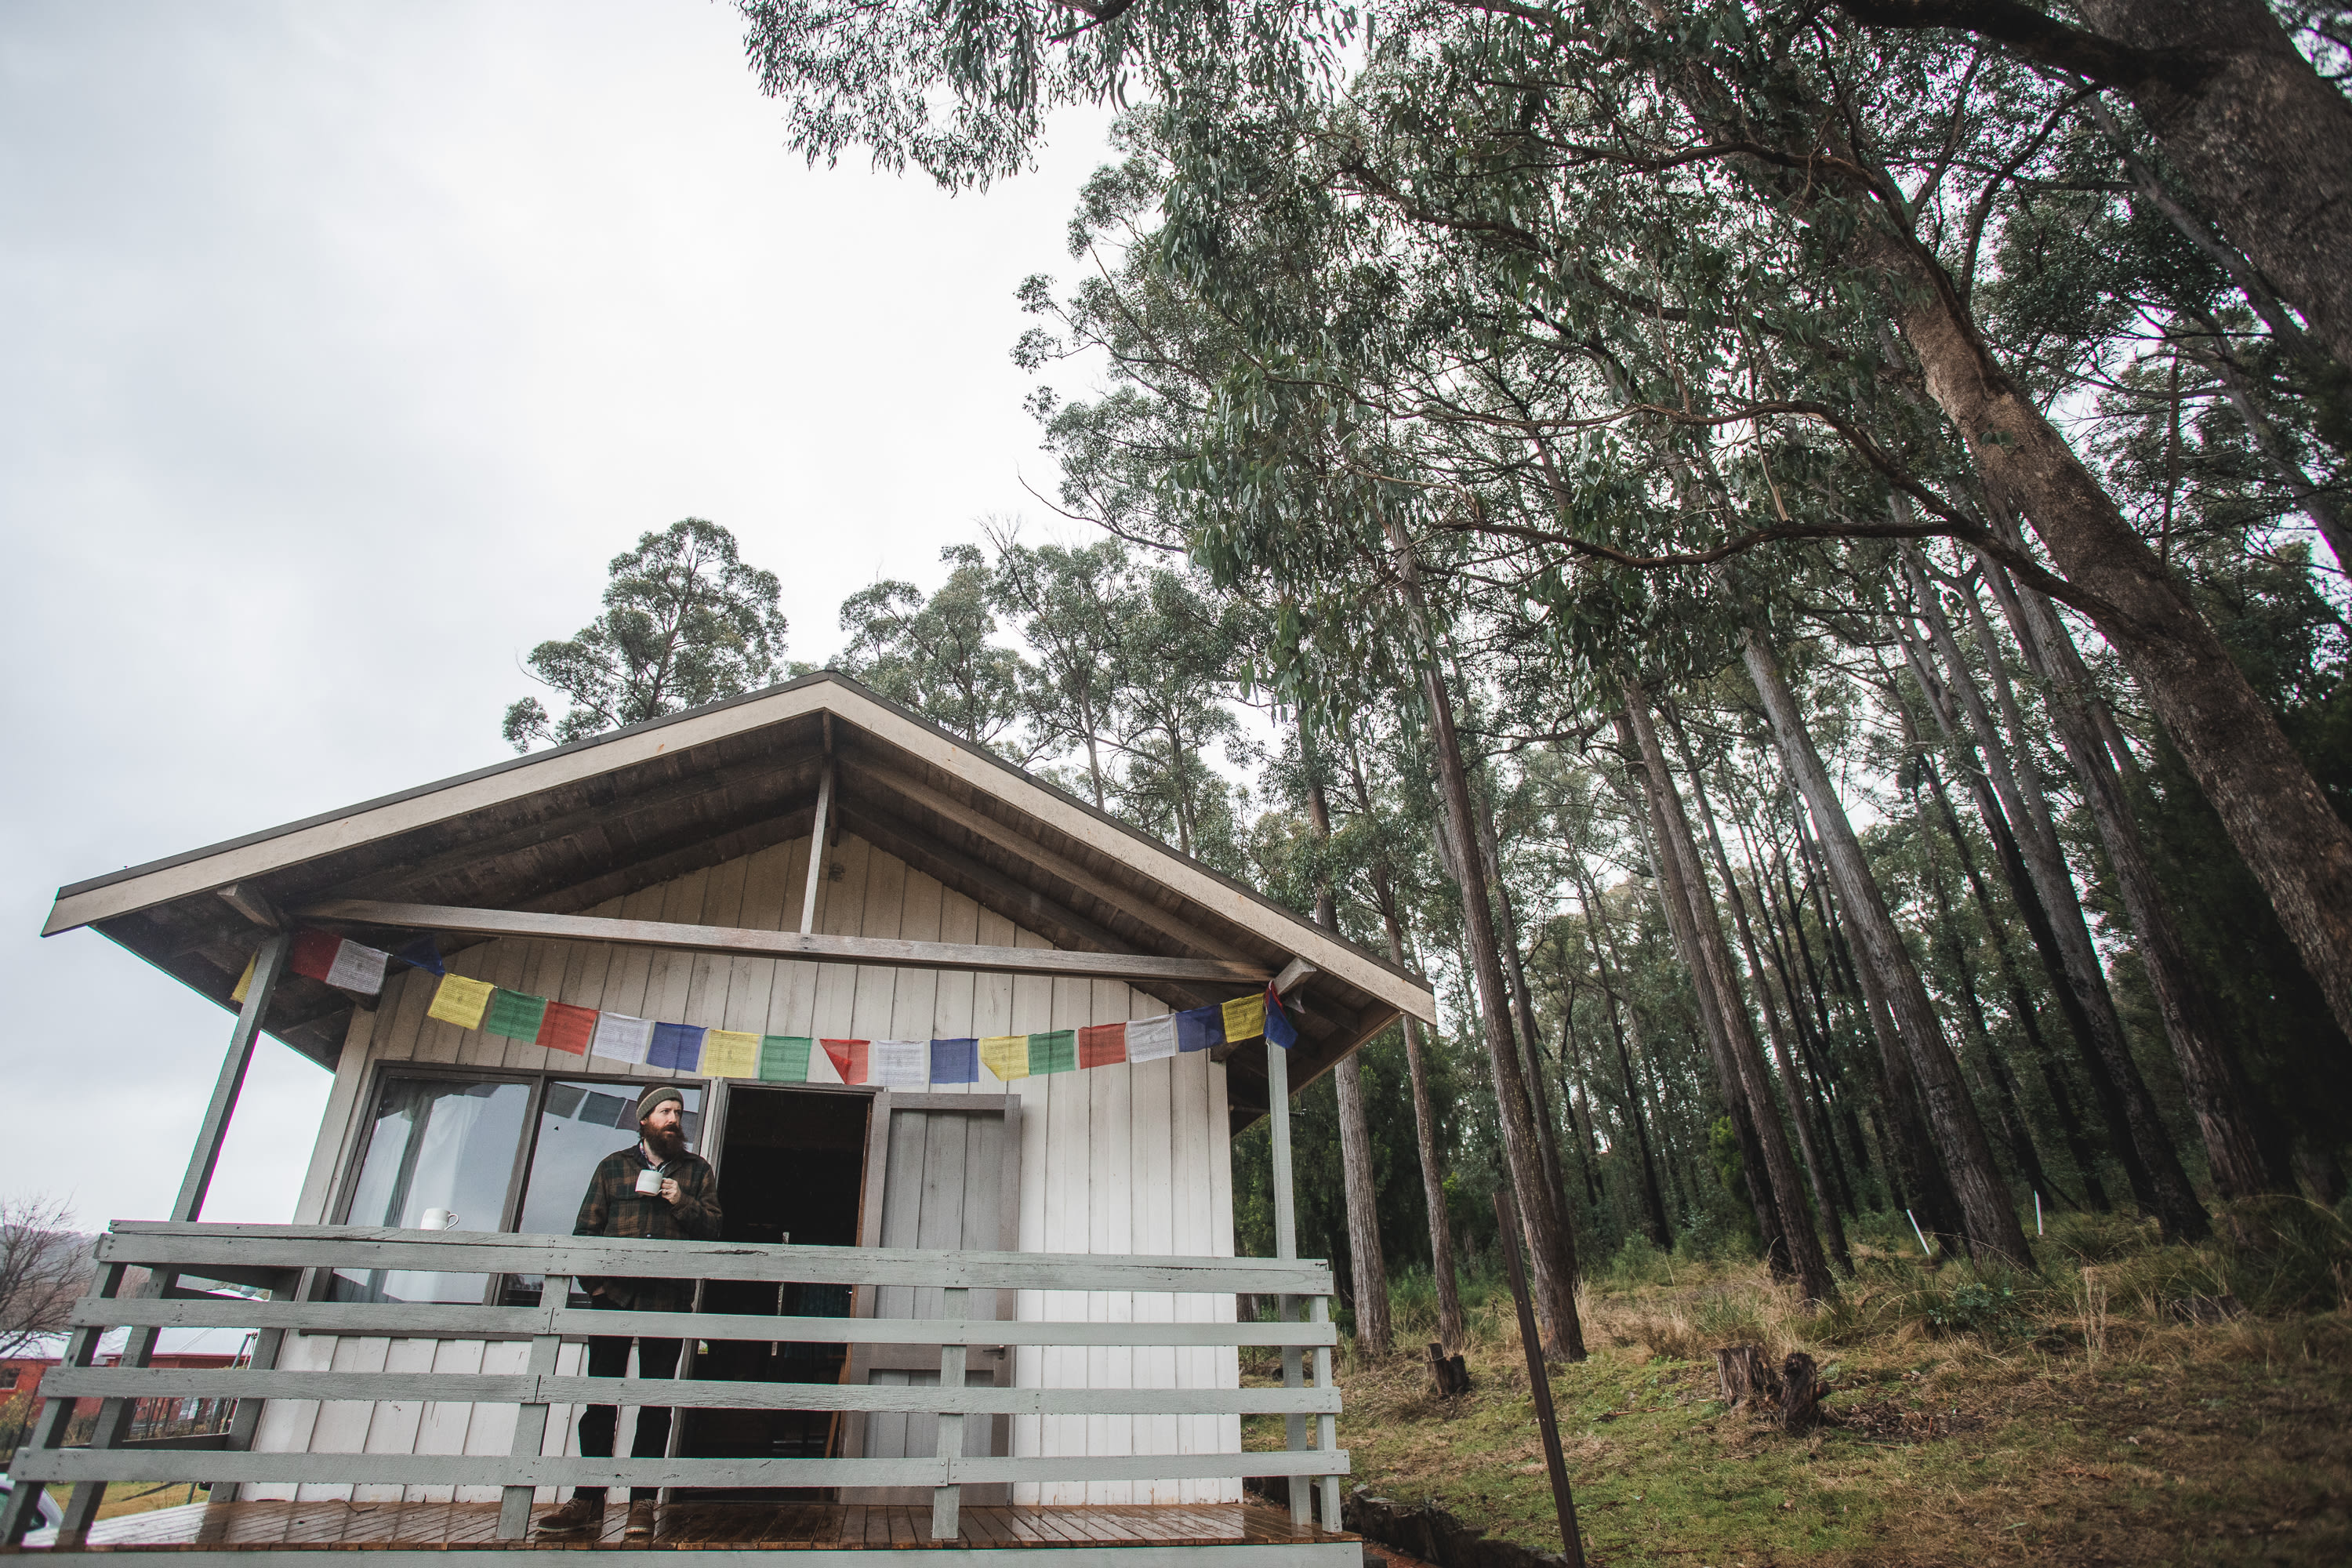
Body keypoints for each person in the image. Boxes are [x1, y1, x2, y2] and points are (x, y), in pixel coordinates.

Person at [534, 1085, 722, 1540]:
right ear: (644, 1120)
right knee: (601, 1399)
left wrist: (683, 1202)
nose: (674, 1118)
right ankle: (587, 1500)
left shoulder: (697, 1172)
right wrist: (596, 1287)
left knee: (655, 1404)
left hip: (667, 1301)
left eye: (678, 1111)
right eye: (664, 1111)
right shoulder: (613, 1167)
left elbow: (714, 1230)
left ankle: (642, 1503)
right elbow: (585, 1232)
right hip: (613, 1299)